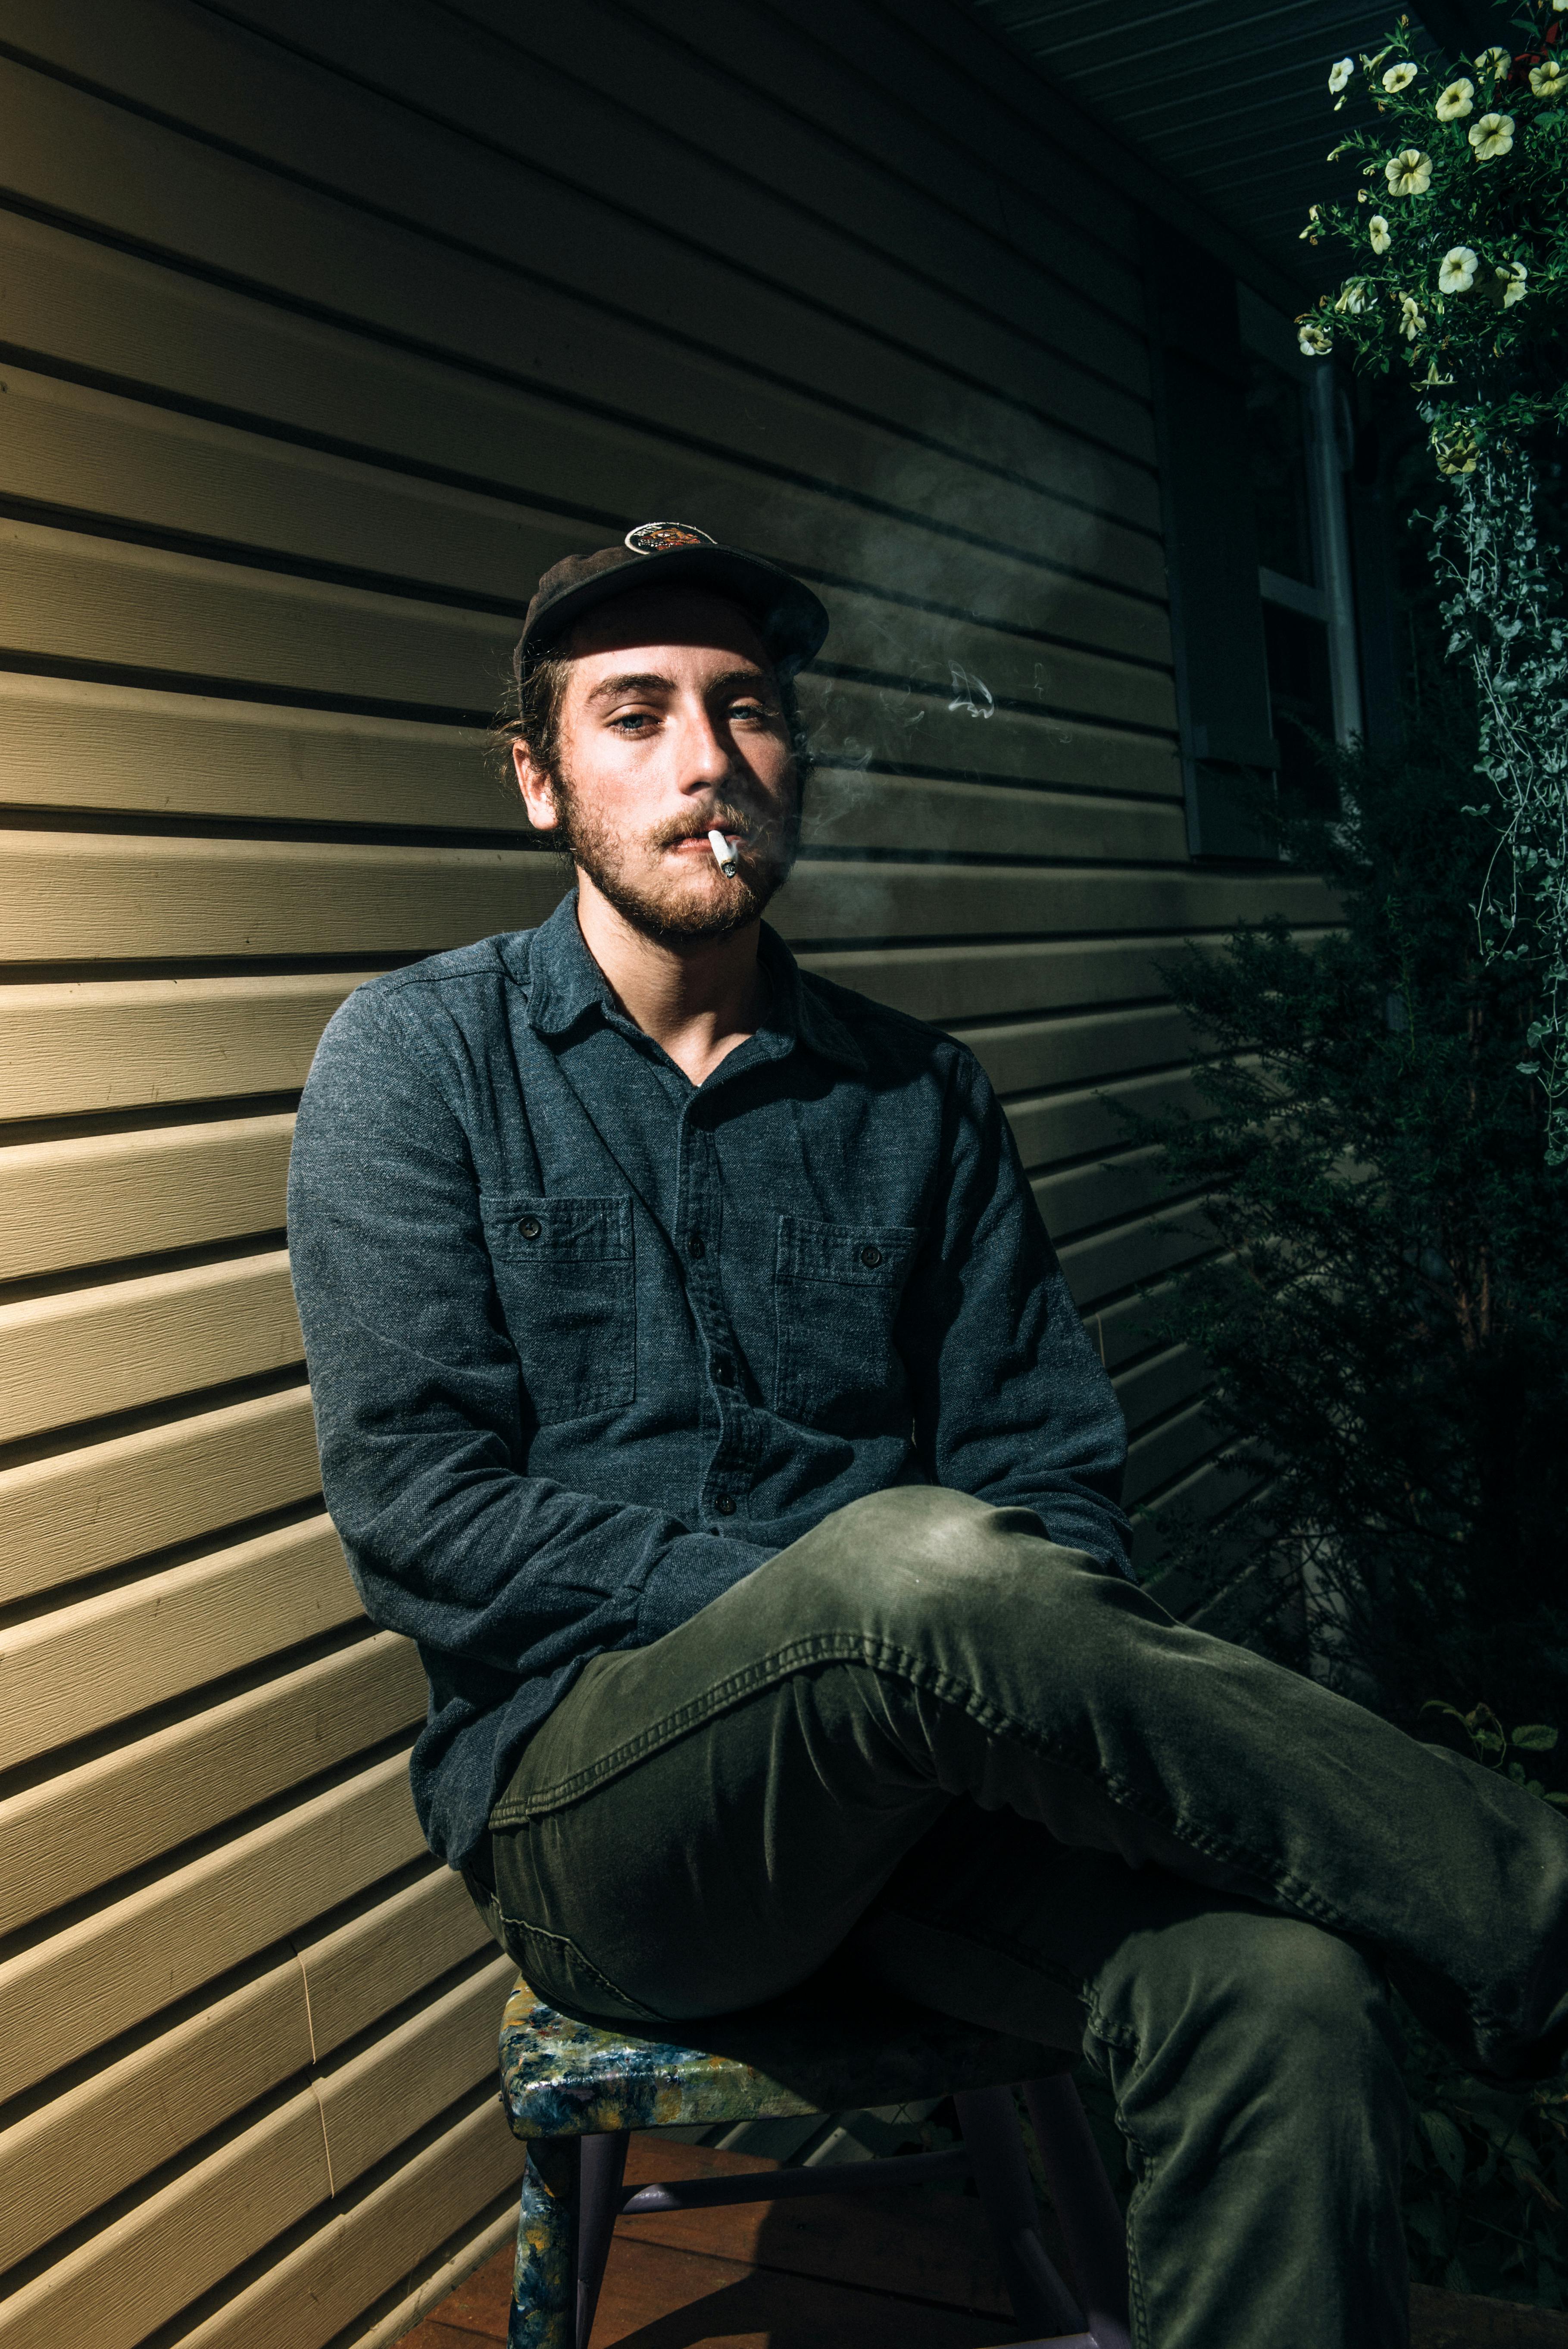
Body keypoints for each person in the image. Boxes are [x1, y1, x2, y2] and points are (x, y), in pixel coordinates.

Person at [288, 523, 1568, 2349]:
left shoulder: (919, 1096)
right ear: (537, 779)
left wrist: (905, 1638)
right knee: (910, 1564)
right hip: (607, 1817)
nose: (704, 760)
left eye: (744, 713)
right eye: (634, 715)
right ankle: (1530, 1907)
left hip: (927, 1807)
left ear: (792, 758)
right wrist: (846, 1608)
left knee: (1286, 1994)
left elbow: (1051, 1487)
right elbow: (420, 1512)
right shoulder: (417, 1064)